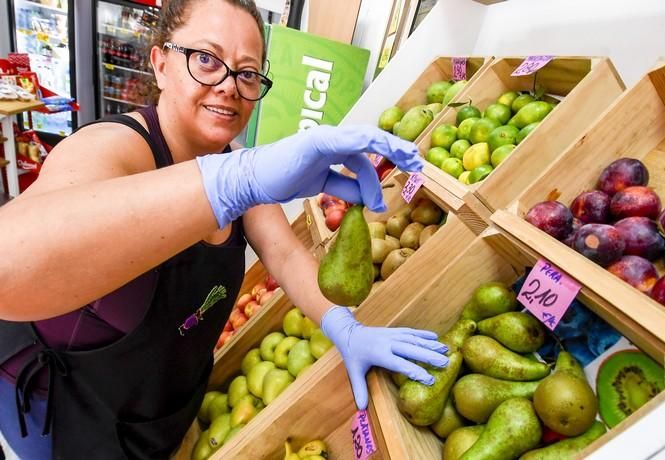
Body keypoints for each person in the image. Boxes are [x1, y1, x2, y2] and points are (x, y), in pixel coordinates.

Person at [0, 0, 449, 458]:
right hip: (67, 423)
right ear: (160, 64)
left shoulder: (231, 161)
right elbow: (8, 265)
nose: (229, 86)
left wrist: (344, 327)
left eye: (247, 73)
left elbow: (287, 255)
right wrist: (232, 182)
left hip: (162, 416)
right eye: (207, 60)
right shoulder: (114, 148)